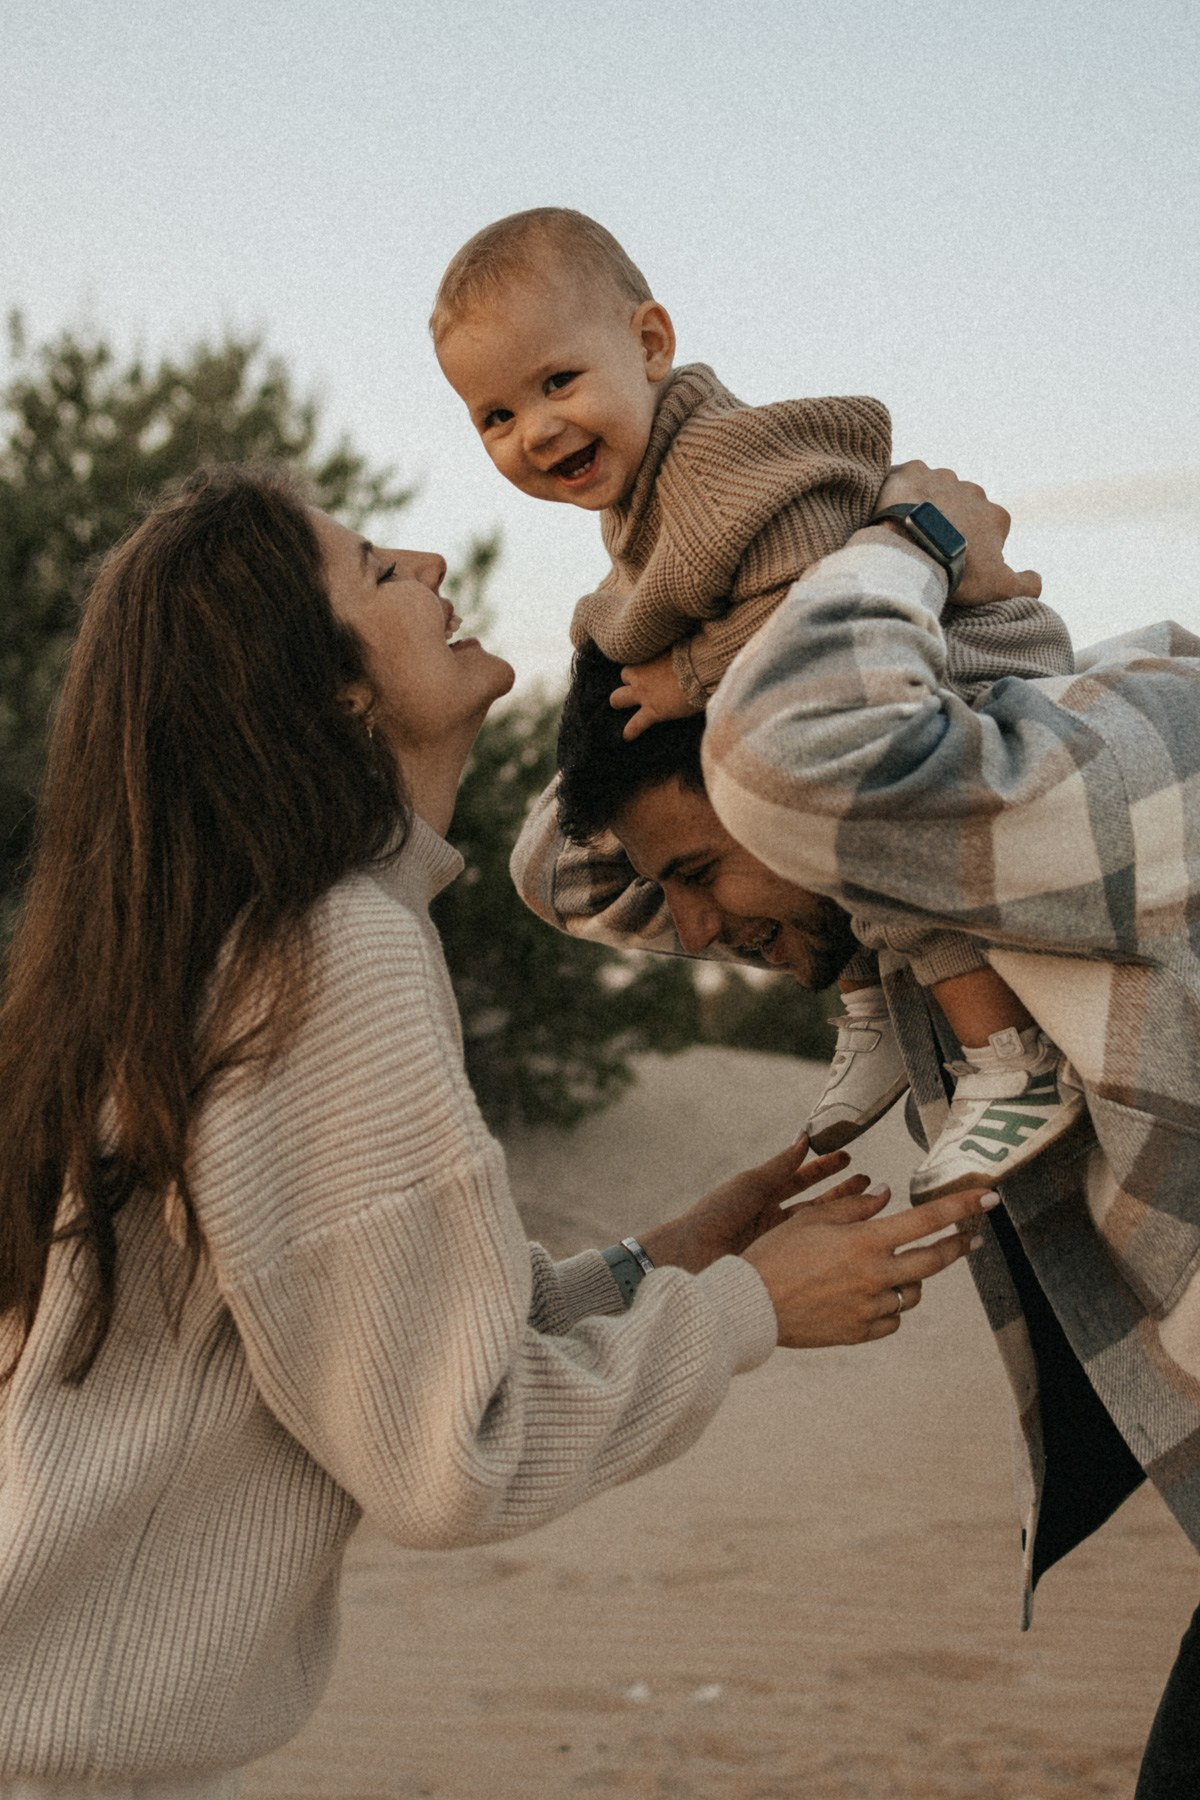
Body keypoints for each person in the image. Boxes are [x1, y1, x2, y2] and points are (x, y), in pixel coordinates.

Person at [0, 465, 996, 1798]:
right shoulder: (328, 948)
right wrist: (753, 1306)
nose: (425, 560)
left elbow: (361, 1337)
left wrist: (667, 1260)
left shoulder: (253, 942)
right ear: (331, 694)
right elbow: (443, 1457)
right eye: (371, 569)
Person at [510, 469, 1200, 1798]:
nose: (694, 933)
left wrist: (917, 538)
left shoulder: (1099, 769)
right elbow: (563, 867)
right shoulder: (897, 893)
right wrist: (680, 628)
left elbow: (783, 752)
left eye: (703, 876)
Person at [431, 204, 1086, 1201]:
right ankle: (872, 996)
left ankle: (1010, 1058)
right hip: (873, 696)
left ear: (651, 344)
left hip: (966, 677)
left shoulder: (721, 463)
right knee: (796, 800)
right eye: (497, 416)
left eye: (558, 381)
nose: (539, 429)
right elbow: (562, 857)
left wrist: (687, 679)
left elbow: (817, 613)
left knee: (826, 784)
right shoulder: (636, 502)